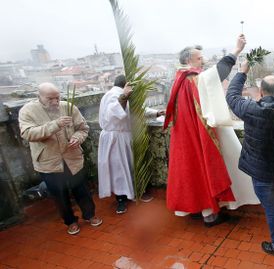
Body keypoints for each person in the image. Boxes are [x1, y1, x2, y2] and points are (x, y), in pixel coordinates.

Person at [164, 34, 259, 227]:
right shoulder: (192, 79)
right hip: (197, 134)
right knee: (204, 168)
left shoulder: (179, 80)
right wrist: (237, 51)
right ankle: (209, 214)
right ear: (188, 61)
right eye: (199, 58)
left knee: (193, 171)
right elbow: (217, 74)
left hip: (186, 135)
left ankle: (200, 209)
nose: (203, 61)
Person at [226, 61, 274, 257]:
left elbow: (232, 97)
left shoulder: (251, 109)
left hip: (261, 173)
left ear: (261, 92)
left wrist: (242, 72)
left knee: (271, 209)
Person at [18, 82, 102, 235]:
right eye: (50, 99)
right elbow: (27, 134)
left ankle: (90, 215)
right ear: (39, 97)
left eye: (57, 97)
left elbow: (83, 128)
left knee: (82, 190)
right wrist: (54, 125)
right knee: (59, 196)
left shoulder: (68, 107)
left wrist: (77, 138)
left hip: (72, 158)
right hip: (48, 162)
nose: (55, 102)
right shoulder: (28, 111)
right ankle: (70, 221)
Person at [97, 75, 163, 214]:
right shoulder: (112, 95)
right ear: (126, 84)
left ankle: (135, 192)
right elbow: (112, 114)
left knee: (132, 165)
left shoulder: (126, 94)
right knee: (118, 169)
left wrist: (156, 112)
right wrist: (124, 96)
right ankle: (121, 200)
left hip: (125, 136)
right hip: (114, 138)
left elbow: (136, 109)